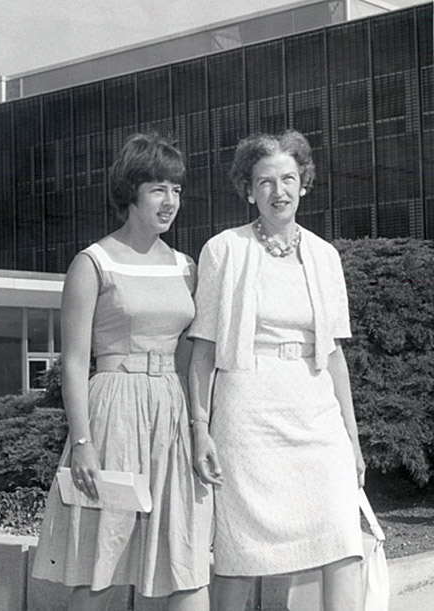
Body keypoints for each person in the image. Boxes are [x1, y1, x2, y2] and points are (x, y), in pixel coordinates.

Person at [32, 132, 212, 611]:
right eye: (158, 188)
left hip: (170, 414)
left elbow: (190, 355)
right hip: (113, 411)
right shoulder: (94, 263)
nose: (170, 200)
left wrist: (198, 427)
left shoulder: (185, 266)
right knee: (101, 569)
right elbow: (73, 360)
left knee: (185, 561)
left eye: (176, 189)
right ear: (130, 193)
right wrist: (83, 443)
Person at [188, 130, 364, 611]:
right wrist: (199, 430)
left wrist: (351, 439)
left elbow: (333, 356)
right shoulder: (223, 250)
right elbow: (202, 353)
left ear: (304, 183)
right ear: (249, 189)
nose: (279, 191)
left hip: (315, 413)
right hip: (249, 416)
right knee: (242, 554)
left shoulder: (326, 257)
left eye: (288, 178)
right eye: (266, 182)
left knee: (343, 537)